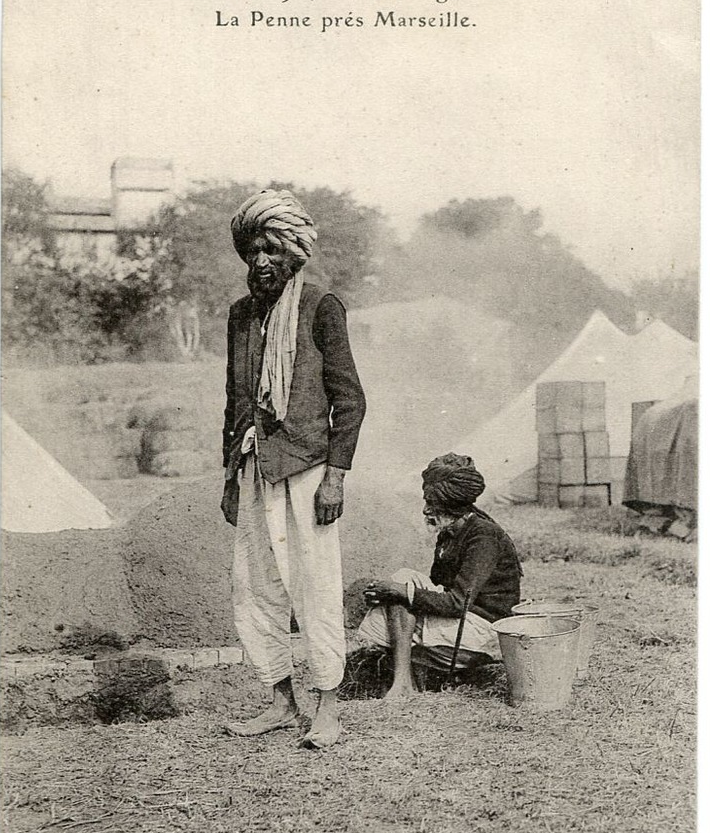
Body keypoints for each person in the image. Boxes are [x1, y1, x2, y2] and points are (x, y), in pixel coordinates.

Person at [221, 188, 366, 749]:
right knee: (256, 590)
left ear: (294, 254)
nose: (261, 262)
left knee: (316, 589)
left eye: (272, 251)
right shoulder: (239, 317)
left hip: (308, 469)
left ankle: (328, 707)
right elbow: (234, 402)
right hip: (256, 468)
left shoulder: (320, 307)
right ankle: (282, 703)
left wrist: (335, 476)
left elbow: (349, 400)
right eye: (253, 252)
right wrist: (230, 478)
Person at [359, 453, 522, 701]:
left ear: (452, 505)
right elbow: (439, 589)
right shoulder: (451, 532)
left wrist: (400, 592)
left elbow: (458, 603)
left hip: (483, 628)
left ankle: (407, 678)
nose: (425, 509)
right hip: (460, 620)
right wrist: (394, 594)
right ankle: (405, 680)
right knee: (399, 590)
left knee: (401, 595)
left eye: (432, 502)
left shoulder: (483, 536)